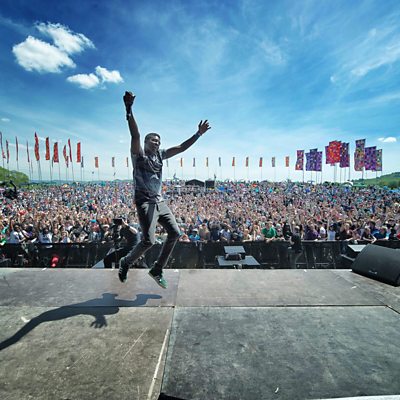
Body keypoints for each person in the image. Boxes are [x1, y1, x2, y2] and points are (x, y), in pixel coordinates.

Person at [118, 91, 211, 288]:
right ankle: (126, 262)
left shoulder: (161, 155)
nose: (157, 143)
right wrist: (129, 110)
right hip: (145, 202)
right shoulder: (138, 155)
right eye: (154, 140)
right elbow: (135, 134)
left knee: (175, 233)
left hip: (160, 202)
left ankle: (157, 269)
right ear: (146, 142)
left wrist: (198, 134)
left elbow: (182, 147)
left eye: (159, 141)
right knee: (148, 241)